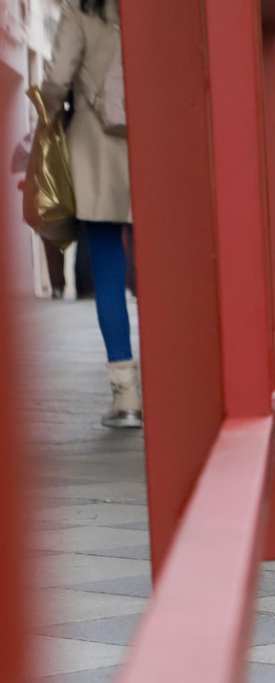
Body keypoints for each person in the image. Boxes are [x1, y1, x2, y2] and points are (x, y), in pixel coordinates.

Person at [43, 0, 139, 429]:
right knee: (164, 273)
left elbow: (57, 79)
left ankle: (126, 396)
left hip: (95, 149)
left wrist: (49, 116)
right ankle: (180, 383)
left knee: (108, 271)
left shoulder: (79, 11)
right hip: (152, 144)